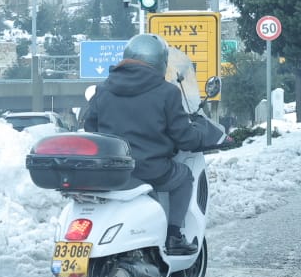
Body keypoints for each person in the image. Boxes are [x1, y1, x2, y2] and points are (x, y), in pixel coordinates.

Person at [80, 33, 219, 255]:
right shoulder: (167, 92)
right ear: (160, 63)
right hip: (150, 169)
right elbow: (184, 137)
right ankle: (174, 236)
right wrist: (205, 137)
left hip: (113, 170)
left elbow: (90, 127)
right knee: (183, 177)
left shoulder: (103, 90)